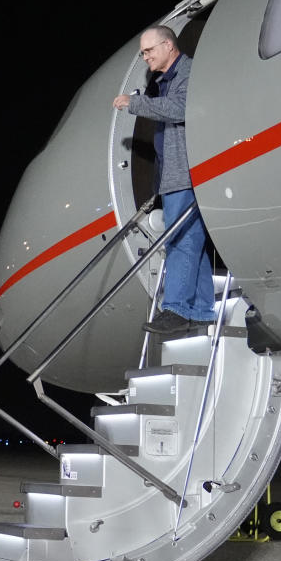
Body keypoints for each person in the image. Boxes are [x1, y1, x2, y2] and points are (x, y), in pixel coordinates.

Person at [114, 25, 216, 333]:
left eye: (148, 50)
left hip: (185, 173)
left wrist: (134, 104)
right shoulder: (167, 80)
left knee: (179, 239)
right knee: (189, 239)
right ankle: (199, 310)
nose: (145, 57)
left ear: (168, 46)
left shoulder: (188, 73)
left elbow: (180, 108)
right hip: (175, 175)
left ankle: (175, 308)